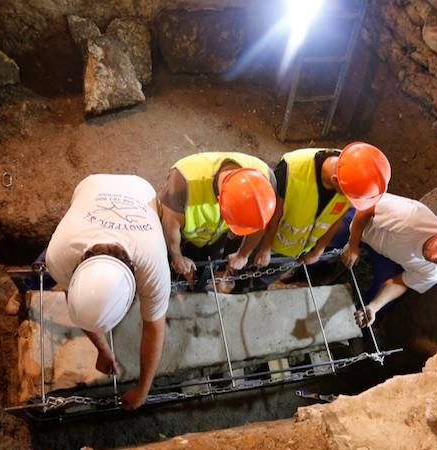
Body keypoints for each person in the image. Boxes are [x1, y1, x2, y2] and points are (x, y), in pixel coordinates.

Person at [45, 173, 170, 410]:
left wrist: (143, 390)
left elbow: (154, 328)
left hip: (141, 188)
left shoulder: (154, 269)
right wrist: (102, 349)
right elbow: (79, 304)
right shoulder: (58, 256)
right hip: (91, 185)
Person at [336, 193, 437, 327]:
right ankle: (319, 264)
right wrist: (353, 245)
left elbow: (402, 282)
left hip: (383, 251)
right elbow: (367, 207)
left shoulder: (436, 271)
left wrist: (374, 306)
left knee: (382, 299)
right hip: (361, 224)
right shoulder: (411, 217)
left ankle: (353, 320)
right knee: (331, 233)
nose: (433, 257)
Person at [254, 142, 391, 267]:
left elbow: (336, 218)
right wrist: (265, 247)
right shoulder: (292, 170)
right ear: (335, 180)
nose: (350, 201)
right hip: (272, 242)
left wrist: (319, 250)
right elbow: (271, 214)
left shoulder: (352, 177)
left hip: (300, 250)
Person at [159, 152, 277, 288]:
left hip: (217, 235)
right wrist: (177, 256)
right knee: (175, 269)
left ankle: (199, 285)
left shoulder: (266, 181)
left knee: (209, 266)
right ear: (219, 201)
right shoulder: (183, 181)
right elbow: (170, 225)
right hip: (186, 237)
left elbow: (259, 224)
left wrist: (243, 255)